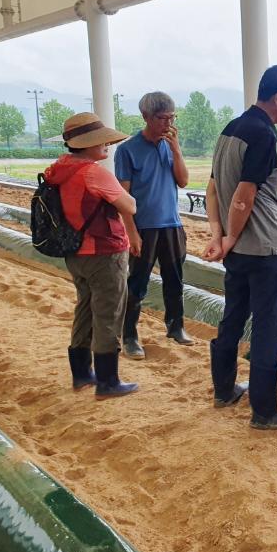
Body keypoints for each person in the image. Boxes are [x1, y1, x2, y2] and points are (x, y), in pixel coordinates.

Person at [202, 65, 277, 430]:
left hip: (237, 252)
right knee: (266, 326)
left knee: (232, 316)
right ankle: (264, 411)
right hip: (262, 248)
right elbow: (243, 197)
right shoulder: (263, 134)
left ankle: (224, 389)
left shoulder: (230, 129)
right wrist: (230, 236)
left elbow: (213, 189)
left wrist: (218, 236)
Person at [45, 113, 139, 398]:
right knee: (108, 312)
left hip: (75, 251)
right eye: (101, 141)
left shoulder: (59, 169)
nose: (106, 145)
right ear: (87, 144)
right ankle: (108, 381)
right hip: (104, 252)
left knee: (85, 308)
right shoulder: (93, 173)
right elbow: (130, 206)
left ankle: (82, 374)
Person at [115, 92, 192, 360]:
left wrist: (176, 150)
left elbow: (183, 181)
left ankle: (176, 326)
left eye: (172, 117)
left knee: (175, 280)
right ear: (146, 117)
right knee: (137, 283)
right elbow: (123, 196)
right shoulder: (127, 150)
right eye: (162, 118)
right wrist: (131, 232)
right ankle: (129, 336)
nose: (168, 123)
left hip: (172, 224)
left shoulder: (170, 145)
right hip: (144, 227)